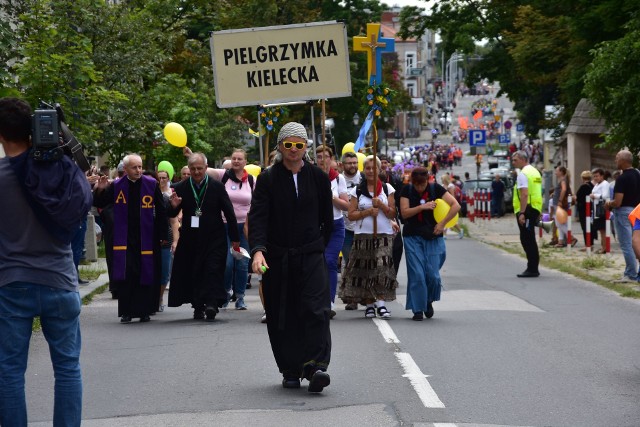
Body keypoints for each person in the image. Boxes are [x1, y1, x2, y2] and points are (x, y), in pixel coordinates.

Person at [0, 97, 92, 426]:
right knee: (67, 369)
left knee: (9, 372)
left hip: (12, 284)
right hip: (60, 280)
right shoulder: (59, 169)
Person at [248, 122, 333, 392]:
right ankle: (290, 368)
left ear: (306, 147)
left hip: (310, 254)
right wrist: (258, 250)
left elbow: (326, 219)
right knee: (283, 313)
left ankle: (316, 366)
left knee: (316, 309)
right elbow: (259, 217)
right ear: (280, 147)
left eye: (299, 145)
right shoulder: (268, 178)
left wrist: (321, 248)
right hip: (278, 256)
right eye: (288, 145)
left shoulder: (318, 177)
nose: (294, 150)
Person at [94, 154, 168, 323]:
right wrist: (100, 189)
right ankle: (127, 311)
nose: (139, 170)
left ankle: (144, 311)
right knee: (128, 273)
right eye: (134, 167)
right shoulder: (117, 186)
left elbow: (162, 210)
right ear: (125, 169)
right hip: (125, 237)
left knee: (145, 271)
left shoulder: (151, 184)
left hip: (146, 235)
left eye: (140, 167)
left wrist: (163, 235)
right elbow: (100, 202)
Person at [168, 152, 240, 320]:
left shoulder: (216, 186)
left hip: (214, 237)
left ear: (206, 168)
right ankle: (197, 306)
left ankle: (212, 303)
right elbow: (171, 212)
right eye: (193, 169)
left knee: (213, 269)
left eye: (200, 168)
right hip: (191, 239)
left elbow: (229, 212)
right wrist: (173, 206)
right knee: (195, 271)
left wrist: (235, 238)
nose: (196, 172)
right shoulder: (181, 187)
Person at [340, 155, 399, 319]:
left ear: (379, 170)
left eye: (374, 168)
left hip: (383, 235)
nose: (371, 170)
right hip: (362, 236)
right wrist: (367, 212)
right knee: (366, 270)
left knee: (381, 267)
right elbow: (351, 215)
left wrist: (381, 205)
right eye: (368, 168)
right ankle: (370, 304)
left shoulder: (388, 189)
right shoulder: (357, 190)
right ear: (364, 170)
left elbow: (393, 213)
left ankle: (381, 304)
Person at [400, 167, 460, 320]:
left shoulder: (435, 189)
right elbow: (404, 213)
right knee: (417, 274)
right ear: (412, 181)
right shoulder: (407, 190)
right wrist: (421, 207)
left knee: (433, 276)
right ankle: (417, 309)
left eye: (422, 184)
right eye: (417, 184)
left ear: (427, 180)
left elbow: (456, 206)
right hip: (412, 236)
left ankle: (428, 300)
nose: (420, 187)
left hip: (433, 236)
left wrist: (442, 224)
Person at [315, 145, 348, 318]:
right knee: (315, 264)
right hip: (316, 226)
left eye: (325, 156)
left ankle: (330, 302)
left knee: (329, 261)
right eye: (319, 156)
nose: (322, 159)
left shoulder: (338, 178)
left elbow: (346, 205)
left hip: (335, 225)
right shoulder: (311, 176)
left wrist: (332, 197)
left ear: (331, 159)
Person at [221, 148, 254, 310]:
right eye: (234, 158)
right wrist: (190, 153)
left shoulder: (252, 180)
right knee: (227, 264)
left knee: (242, 264)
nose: (236, 161)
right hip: (225, 225)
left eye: (239, 159)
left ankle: (240, 298)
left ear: (245, 162)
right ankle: (226, 292)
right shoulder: (224, 176)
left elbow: (256, 203)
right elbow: (207, 169)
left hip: (244, 227)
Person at [605, 150, 640, 282]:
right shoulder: (637, 174)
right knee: (637, 242)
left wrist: (609, 203)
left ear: (623, 160)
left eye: (617, 158)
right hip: (637, 211)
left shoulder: (622, 179)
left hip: (624, 212)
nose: (615, 160)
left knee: (626, 244)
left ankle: (631, 273)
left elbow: (618, 202)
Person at [511, 150, 542, 277]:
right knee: (530, 238)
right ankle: (533, 266)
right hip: (534, 207)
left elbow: (524, 194)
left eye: (515, 160)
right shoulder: (535, 172)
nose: (513, 162)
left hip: (526, 209)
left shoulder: (523, 174)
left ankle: (532, 268)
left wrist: (522, 213)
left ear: (523, 160)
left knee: (527, 239)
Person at [339, 151, 362, 310]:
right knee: (350, 263)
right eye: (349, 163)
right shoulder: (338, 179)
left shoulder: (364, 178)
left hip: (363, 227)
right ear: (342, 164)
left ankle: (367, 295)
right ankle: (353, 297)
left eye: (354, 162)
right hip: (345, 227)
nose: (352, 165)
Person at [157, 170, 179, 312]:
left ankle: (159, 297)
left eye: (164, 178)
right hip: (152, 239)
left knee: (164, 271)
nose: (161, 180)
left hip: (166, 237)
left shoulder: (169, 196)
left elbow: (174, 221)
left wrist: (175, 241)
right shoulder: (148, 196)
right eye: (159, 178)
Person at [552, 166, 575, 247]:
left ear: (561, 172)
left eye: (557, 171)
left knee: (559, 223)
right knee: (561, 222)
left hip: (559, 204)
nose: (555, 172)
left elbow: (564, 189)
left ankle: (571, 237)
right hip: (559, 204)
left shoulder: (563, 180)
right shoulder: (564, 179)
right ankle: (560, 241)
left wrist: (560, 201)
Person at [590, 168, 610, 254]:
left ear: (602, 176)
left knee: (603, 229)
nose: (595, 178)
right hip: (596, 208)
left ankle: (604, 247)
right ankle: (603, 246)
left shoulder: (605, 184)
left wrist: (595, 196)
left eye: (597, 176)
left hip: (602, 208)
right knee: (601, 229)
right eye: (594, 176)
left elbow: (605, 196)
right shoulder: (597, 184)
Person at [575, 170, 595, 249]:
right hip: (590, 208)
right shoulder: (592, 185)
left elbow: (578, 197)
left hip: (584, 209)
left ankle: (587, 245)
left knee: (585, 227)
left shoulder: (583, 186)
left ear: (583, 178)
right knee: (590, 226)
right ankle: (591, 244)